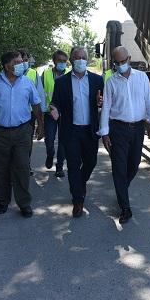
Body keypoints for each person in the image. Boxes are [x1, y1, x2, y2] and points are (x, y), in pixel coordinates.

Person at [0, 51, 44, 218]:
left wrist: (40, 125)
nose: (22, 64)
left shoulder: (28, 82)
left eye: (22, 61)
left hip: (22, 131)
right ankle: (3, 201)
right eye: (18, 62)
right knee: (0, 168)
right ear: (7, 66)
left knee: (22, 167)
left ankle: (24, 203)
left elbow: (36, 104)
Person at [100, 46, 150, 224]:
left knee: (133, 164)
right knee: (119, 167)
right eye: (117, 63)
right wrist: (104, 132)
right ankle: (125, 207)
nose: (120, 65)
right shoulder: (110, 82)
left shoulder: (141, 78)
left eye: (123, 61)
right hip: (118, 129)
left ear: (129, 58)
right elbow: (106, 108)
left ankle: (121, 189)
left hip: (138, 128)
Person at [49, 47, 104, 217]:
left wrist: (100, 102)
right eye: (77, 57)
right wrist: (54, 109)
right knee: (73, 166)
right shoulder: (62, 82)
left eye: (83, 57)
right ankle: (77, 200)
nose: (80, 60)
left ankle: (80, 183)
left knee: (91, 162)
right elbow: (55, 102)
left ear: (87, 60)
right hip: (70, 130)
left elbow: (103, 102)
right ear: (71, 60)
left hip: (90, 130)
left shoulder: (97, 80)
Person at [19, 49, 47, 175]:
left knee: (27, 141)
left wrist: (41, 121)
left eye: (25, 61)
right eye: (21, 61)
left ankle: (26, 165)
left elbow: (39, 95)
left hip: (29, 114)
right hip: (13, 115)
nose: (23, 63)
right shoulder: (9, 73)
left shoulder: (33, 74)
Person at [42, 50, 69, 177]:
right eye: (60, 61)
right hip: (49, 113)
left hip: (64, 114)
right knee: (50, 139)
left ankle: (59, 167)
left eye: (64, 61)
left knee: (63, 140)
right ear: (54, 61)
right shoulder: (46, 74)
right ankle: (50, 154)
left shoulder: (70, 74)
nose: (62, 63)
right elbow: (41, 94)